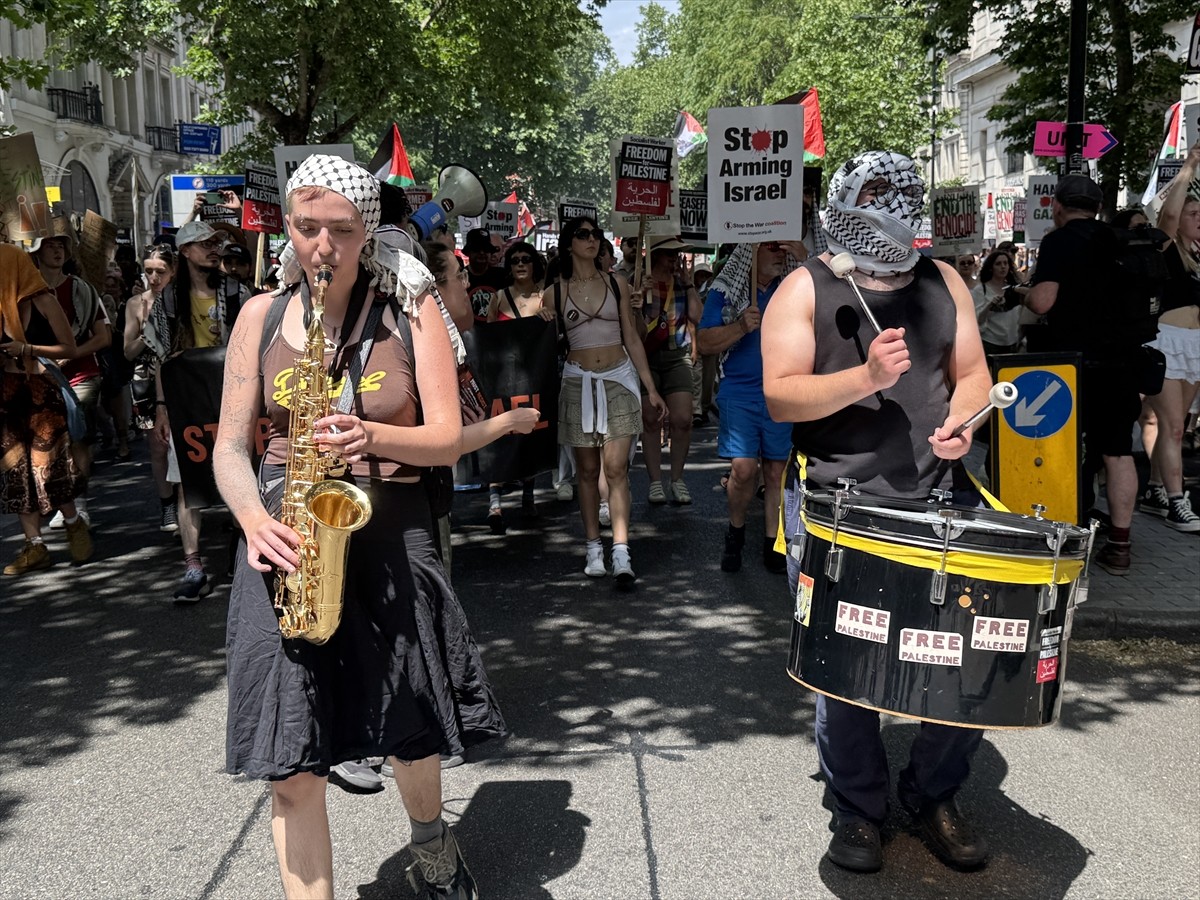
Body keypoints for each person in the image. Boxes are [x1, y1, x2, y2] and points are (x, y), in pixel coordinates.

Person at [213, 155, 504, 899]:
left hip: (389, 524)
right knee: (290, 762)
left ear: (366, 230)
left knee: (409, 724)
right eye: (307, 228)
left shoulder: (410, 309)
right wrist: (250, 517)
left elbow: (447, 437)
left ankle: (431, 842)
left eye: (340, 231)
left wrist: (373, 439)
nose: (322, 247)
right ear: (288, 226)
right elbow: (227, 447)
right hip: (285, 534)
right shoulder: (261, 316)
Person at [762, 151, 994, 874]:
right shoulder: (804, 288)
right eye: (874, 204)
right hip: (840, 506)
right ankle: (857, 809)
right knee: (848, 671)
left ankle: (932, 793)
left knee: (958, 660)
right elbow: (779, 394)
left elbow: (973, 373)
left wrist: (965, 421)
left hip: (938, 501)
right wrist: (865, 376)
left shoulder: (942, 279)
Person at [1025, 175, 1142, 573]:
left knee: (1065, 449)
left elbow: (1042, 301)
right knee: (1118, 451)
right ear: (1098, 206)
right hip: (1124, 363)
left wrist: (1024, 292)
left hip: (1075, 366)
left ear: (1057, 207)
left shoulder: (1059, 241)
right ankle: (1121, 546)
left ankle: (1067, 534)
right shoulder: (1119, 239)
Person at [550, 216, 666, 586]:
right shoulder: (554, 291)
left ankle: (621, 550)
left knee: (615, 469)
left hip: (618, 378)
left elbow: (632, 339)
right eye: (583, 235)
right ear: (570, 243)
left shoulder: (617, 284)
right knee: (586, 472)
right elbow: (537, 334)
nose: (592, 240)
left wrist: (650, 387)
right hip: (576, 382)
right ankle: (592, 547)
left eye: (596, 234)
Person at [147, 219, 250, 600]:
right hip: (187, 402)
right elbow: (164, 359)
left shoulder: (239, 293)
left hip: (235, 399)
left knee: (245, 474)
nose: (213, 249)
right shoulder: (169, 302)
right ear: (185, 252)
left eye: (216, 243)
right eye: (203, 243)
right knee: (188, 483)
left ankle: (247, 551)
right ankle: (193, 567)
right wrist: (161, 409)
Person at [698, 241, 802, 574]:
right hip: (739, 393)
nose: (780, 253)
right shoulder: (725, 293)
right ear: (750, 253)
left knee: (775, 471)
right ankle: (736, 531)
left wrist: (803, 256)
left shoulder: (794, 288)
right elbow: (704, 342)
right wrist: (741, 326)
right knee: (743, 470)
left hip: (782, 391)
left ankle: (773, 544)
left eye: (782, 248)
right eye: (772, 247)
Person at [1, 244, 90, 574]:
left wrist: (25, 347)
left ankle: (73, 522)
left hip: (41, 391)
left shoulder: (43, 299)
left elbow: (68, 347)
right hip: (7, 394)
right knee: (16, 472)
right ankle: (34, 545)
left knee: (48, 467)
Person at [31, 226, 110, 528]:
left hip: (81, 376)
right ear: (36, 253)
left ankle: (79, 502)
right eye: (49, 245)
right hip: (40, 378)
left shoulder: (83, 290)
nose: (56, 251)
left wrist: (70, 354)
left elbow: (103, 337)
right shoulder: (25, 292)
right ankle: (60, 501)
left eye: (60, 246)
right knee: (48, 441)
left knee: (78, 437)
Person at [1138, 151, 1200, 532]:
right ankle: (1178, 502)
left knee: (1177, 426)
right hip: (1167, 342)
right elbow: (1171, 216)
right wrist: (1191, 165)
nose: (1198, 220)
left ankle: (1156, 489)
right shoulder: (1168, 246)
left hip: (1194, 345)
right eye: (1195, 214)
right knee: (1174, 426)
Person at [483, 242, 553, 533]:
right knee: (499, 436)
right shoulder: (498, 298)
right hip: (502, 379)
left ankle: (528, 495)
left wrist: (548, 319)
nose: (520, 264)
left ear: (535, 265)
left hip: (533, 377)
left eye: (526, 259)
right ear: (509, 267)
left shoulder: (544, 299)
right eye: (515, 260)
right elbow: (485, 337)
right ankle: (494, 503)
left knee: (529, 436)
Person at [639, 236, 703, 505]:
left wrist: (688, 284)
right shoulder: (640, 282)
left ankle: (677, 479)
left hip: (677, 354)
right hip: (647, 355)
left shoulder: (681, 282)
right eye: (669, 255)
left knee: (682, 419)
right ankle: (655, 483)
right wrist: (640, 293)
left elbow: (697, 316)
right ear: (656, 255)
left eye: (676, 256)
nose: (674, 260)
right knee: (651, 420)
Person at [123, 245, 178, 531]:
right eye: (148, 272)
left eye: (161, 272)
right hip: (146, 379)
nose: (154, 278)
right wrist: (149, 332)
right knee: (158, 446)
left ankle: (187, 501)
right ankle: (167, 503)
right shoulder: (135, 304)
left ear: (173, 271)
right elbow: (127, 351)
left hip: (178, 378)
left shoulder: (180, 301)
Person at [971, 249, 1024, 356]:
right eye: (998, 264)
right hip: (990, 342)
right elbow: (976, 319)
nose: (1003, 267)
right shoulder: (980, 290)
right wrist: (990, 305)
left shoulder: (1015, 288)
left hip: (1012, 342)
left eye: (1005, 263)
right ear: (991, 268)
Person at [463, 228, 507, 322]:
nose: (482, 253)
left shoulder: (502, 276)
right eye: (477, 249)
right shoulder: (460, 277)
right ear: (468, 252)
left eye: (486, 249)